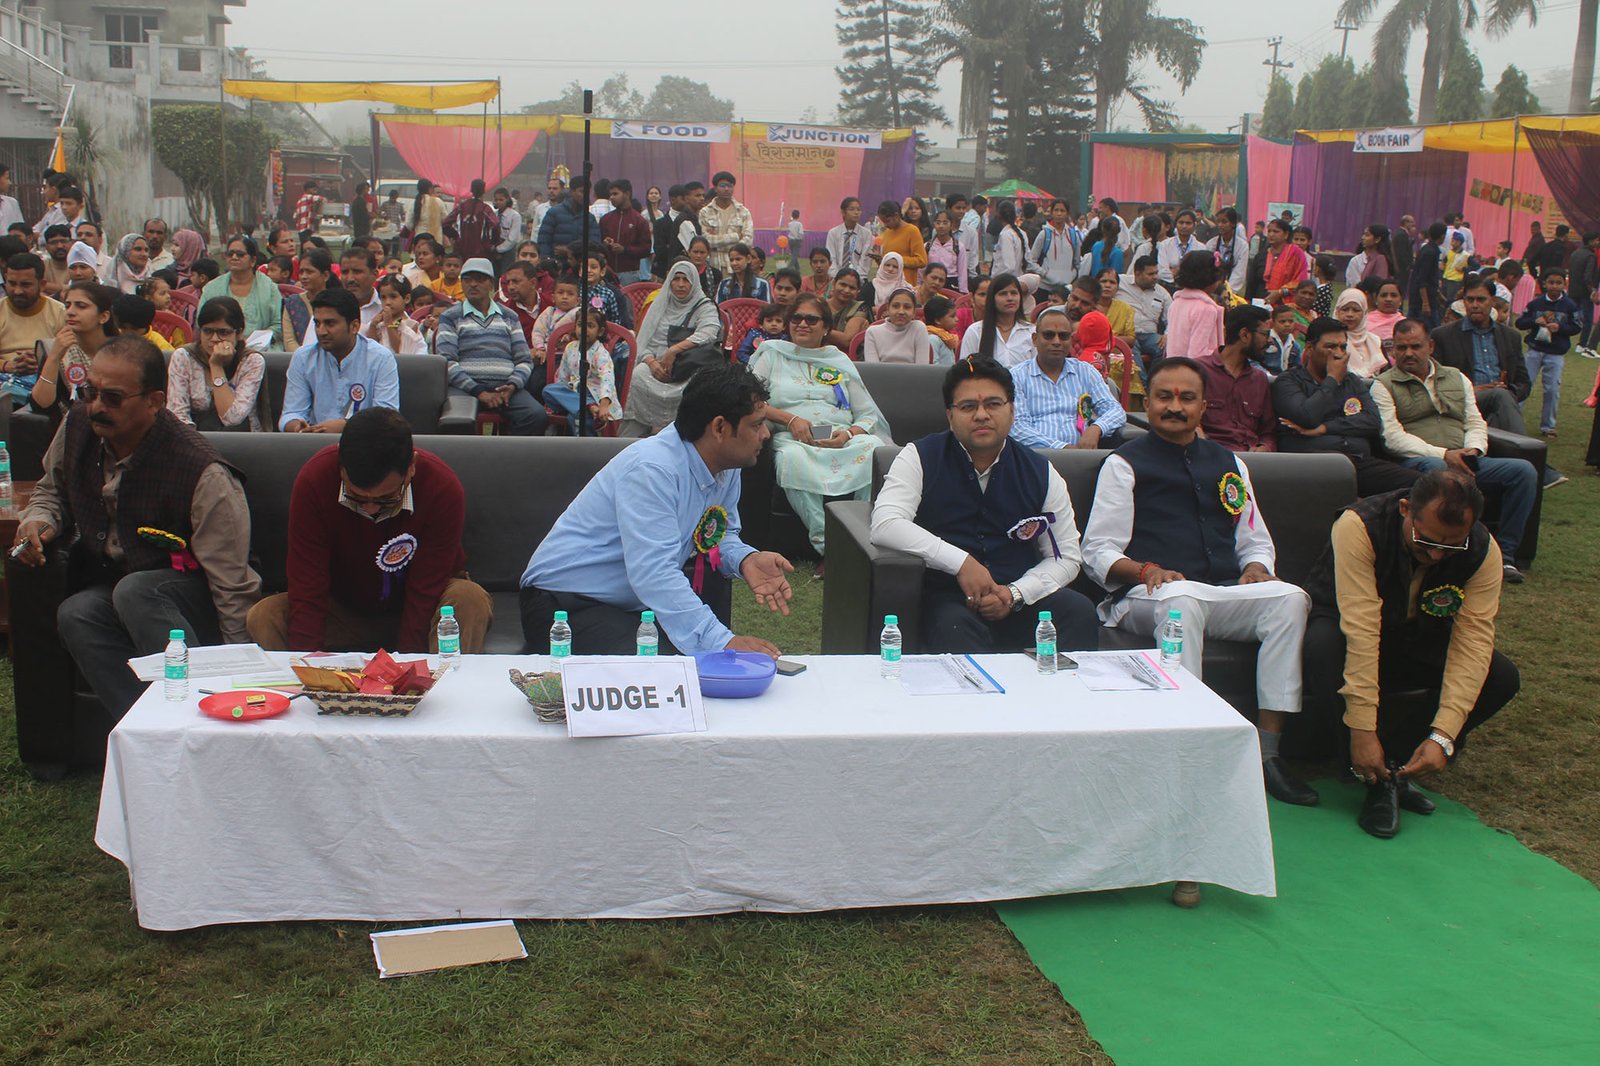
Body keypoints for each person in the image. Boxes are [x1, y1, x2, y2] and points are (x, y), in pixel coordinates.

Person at [1081, 356, 1317, 805]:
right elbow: (1097, 551)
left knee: (1290, 598)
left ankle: (1268, 753)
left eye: (1187, 398)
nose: (1175, 407)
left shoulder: (1230, 463)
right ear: (1147, 403)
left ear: (1204, 406)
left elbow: (1255, 540)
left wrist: (1255, 567)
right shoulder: (1124, 463)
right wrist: (1146, 570)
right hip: (1147, 598)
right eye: (1164, 397)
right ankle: (1186, 747)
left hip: (1219, 594)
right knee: (1181, 601)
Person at [12, 336, 259, 729]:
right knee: (77, 613)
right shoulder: (77, 424)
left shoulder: (201, 470)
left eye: (112, 397)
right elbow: (50, 491)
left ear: (154, 401)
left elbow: (231, 584)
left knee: (137, 591)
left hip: (190, 596)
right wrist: (38, 522)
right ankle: (150, 728)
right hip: (115, 583)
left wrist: (241, 677)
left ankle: (202, 725)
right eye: (90, 392)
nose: (96, 406)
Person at [1301, 470, 1519, 837]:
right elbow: (1361, 628)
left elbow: (1473, 642)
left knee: (1501, 677)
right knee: (1323, 647)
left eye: (1451, 547)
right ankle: (1373, 777)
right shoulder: (1358, 525)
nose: (1435, 555)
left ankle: (1394, 766)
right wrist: (1362, 730)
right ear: (1405, 509)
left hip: (1417, 635)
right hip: (1344, 626)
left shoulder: (1485, 550)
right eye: (1426, 541)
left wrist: (1443, 736)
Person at [521, 363, 793, 656]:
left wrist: (746, 559)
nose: (765, 434)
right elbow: (654, 572)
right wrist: (721, 641)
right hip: (564, 605)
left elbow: (717, 535)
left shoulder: (726, 465)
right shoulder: (652, 469)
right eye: (756, 425)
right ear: (719, 428)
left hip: (631, 606)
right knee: (672, 670)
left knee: (693, 666)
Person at [871, 354, 1101, 654]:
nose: (981, 415)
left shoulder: (1040, 471)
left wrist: (1015, 593)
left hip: (1019, 598)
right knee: (954, 628)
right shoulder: (919, 457)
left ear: (1012, 411)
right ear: (950, 416)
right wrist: (961, 563)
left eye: (993, 404)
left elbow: (1065, 557)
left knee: (1078, 612)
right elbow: (886, 524)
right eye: (968, 406)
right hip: (949, 598)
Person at [1370, 319, 1538, 583]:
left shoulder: (1457, 377)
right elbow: (1392, 438)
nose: (1408, 353)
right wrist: (1444, 454)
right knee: (1439, 472)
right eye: (1401, 348)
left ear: (1431, 346)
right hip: (1420, 462)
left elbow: (1474, 421)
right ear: (1392, 351)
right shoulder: (1383, 385)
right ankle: (1447, 550)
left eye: (1415, 346)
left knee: (1523, 472)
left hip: (1466, 458)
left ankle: (1506, 556)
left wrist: (1474, 450)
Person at [749, 296, 890, 554]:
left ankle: (860, 537)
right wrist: (790, 419)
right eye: (796, 318)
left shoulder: (839, 360)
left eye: (811, 319)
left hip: (841, 438)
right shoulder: (771, 354)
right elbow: (752, 399)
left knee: (873, 448)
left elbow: (868, 415)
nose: (803, 324)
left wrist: (848, 434)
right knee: (791, 458)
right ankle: (828, 545)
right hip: (794, 439)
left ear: (825, 327)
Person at [1274, 316, 1420, 496]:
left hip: (1358, 462)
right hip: (1312, 465)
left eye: (1343, 347)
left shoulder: (1351, 381)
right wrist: (1332, 379)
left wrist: (1324, 428)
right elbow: (1307, 416)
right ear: (1310, 348)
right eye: (1330, 347)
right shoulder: (1288, 381)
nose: (1338, 354)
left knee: (1421, 484)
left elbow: (1372, 421)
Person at [436, 257, 543, 436]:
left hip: (505, 388)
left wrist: (512, 385)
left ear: (491, 284)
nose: (473, 284)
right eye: (467, 279)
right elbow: (447, 362)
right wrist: (479, 391)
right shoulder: (451, 317)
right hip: (465, 388)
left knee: (536, 415)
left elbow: (524, 360)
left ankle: (510, 453)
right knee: (457, 419)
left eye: (479, 279)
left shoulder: (509, 316)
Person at [619, 260, 722, 438]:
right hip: (657, 363)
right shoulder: (660, 304)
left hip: (690, 367)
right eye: (676, 279)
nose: (680, 284)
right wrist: (652, 363)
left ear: (694, 282)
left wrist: (674, 350)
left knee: (697, 385)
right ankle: (633, 438)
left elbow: (709, 332)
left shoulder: (704, 305)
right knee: (638, 375)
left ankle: (687, 435)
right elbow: (645, 343)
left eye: (686, 279)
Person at [281, 288, 400, 434]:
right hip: (314, 441)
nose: (321, 331)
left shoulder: (381, 358)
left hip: (366, 443)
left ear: (354, 326)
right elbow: (291, 413)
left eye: (330, 323)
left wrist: (345, 427)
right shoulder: (303, 358)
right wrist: (298, 428)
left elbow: (386, 420)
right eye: (317, 323)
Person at [1011, 307, 1125, 449]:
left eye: (1063, 336)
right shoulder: (1017, 376)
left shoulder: (1085, 371)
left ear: (1071, 340)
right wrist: (1062, 447)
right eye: (1048, 335)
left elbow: (1115, 410)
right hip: (1036, 456)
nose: (1056, 341)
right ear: (1035, 339)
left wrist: (1097, 428)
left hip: (1083, 456)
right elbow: (1017, 428)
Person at [1429, 275, 1531, 433]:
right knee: (1499, 397)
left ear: (1492, 302)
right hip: (1463, 400)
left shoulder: (1510, 337)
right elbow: (1434, 380)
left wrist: (1509, 394)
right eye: (1470, 300)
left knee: (1499, 405)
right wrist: (1471, 390)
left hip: (1502, 403)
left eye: (1481, 300)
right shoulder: (1443, 336)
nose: (1475, 305)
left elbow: (1523, 383)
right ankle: (1523, 446)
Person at [164, 297, 268, 432]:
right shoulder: (184, 356)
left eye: (223, 332)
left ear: (238, 333)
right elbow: (177, 414)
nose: (214, 339)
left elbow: (232, 418)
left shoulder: (251, 361)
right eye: (207, 331)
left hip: (240, 436)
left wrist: (216, 366)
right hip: (194, 434)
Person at [1195, 303, 1277, 452]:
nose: (1270, 341)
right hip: (1210, 455)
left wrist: (1264, 447)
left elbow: (1268, 432)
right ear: (1245, 335)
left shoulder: (1259, 379)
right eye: (1265, 334)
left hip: (1252, 459)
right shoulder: (1198, 371)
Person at [30, 281, 116, 415]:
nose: (70, 312)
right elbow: (41, 405)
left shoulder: (122, 351)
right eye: (67, 306)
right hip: (71, 424)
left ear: (103, 317)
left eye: (81, 306)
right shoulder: (58, 349)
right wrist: (54, 357)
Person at [1515, 267, 1581, 438]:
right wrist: (1533, 321)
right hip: (1535, 350)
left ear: (1564, 284)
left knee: (1552, 389)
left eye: (1558, 283)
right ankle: (1513, 421)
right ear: (1544, 284)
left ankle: (1548, 426)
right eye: (1551, 282)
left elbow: (1576, 327)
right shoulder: (1535, 304)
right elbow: (1520, 323)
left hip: (1555, 353)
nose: (1554, 286)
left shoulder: (1569, 305)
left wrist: (1560, 327)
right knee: (1524, 385)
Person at [545, 305, 620, 430]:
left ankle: (588, 409)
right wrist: (562, 395)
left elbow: (607, 379)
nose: (584, 330)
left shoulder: (600, 354)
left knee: (577, 417)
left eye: (590, 326)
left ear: (600, 331)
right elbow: (563, 376)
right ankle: (588, 406)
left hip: (594, 396)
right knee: (548, 390)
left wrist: (603, 404)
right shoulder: (570, 348)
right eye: (580, 325)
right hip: (574, 394)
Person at [0, 253, 63, 393]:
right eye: (12, 283)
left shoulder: (60, 312)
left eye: (25, 285)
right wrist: (7, 366)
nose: (17, 291)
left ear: (42, 285)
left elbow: (70, 357)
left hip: (47, 378)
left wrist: (43, 363)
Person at [202, 235, 281, 346]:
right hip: (217, 344)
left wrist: (254, 341)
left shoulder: (270, 288)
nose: (234, 257)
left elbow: (278, 325)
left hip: (263, 348)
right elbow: (202, 322)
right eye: (230, 254)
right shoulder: (212, 288)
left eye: (240, 254)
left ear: (253, 260)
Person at [961, 273, 1035, 367]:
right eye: (1003, 294)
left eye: (1014, 293)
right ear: (992, 299)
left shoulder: (1031, 331)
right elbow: (966, 369)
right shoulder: (976, 331)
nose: (1010, 298)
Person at [1165, 251, 1224, 359]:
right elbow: (1199, 354)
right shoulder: (1206, 309)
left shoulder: (1176, 303)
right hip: (1196, 368)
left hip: (1174, 365)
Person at [1117, 255, 1170, 372]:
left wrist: (1167, 334)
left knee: (1166, 347)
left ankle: (1154, 379)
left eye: (1156, 273)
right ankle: (1142, 382)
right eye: (1150, 274)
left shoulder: (1162, 293)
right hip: (1127, 334)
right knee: (1130, 348)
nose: (1155, 277)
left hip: (1150, 335)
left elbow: (1171, 318)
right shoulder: (1121, 283)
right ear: (1137, 274)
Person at [698, 171, 754, 276]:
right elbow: (706, 241)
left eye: (730, 186)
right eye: (723, 185)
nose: (727, 189)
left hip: (737, 267)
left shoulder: (743, 211)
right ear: (715, 188)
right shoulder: (705, 212)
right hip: (713, 266)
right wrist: (736, 237)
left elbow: (748, 241)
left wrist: (718, 243)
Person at [598, 178, 650, 285]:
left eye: (615, 194)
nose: (611, 197)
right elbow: (598, 246)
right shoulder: (606, 219)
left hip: (630, 274)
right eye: (610, 194)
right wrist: (605, 244)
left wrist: (624, 250)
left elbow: (645, 249)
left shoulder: (639, 221)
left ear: (627, 194)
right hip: (608, 272)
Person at [862, 286, 931, 363]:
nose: (901, 312)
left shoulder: (919, 328)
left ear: (914, 312)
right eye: (895, 306)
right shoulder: (872, 332)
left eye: (907, 307)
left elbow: (922, 367)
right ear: (888, 309)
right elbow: (873, 368)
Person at [365, 273, 429, 356]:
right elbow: (370, 345)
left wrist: (389, 324)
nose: (387, 302)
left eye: (393, 296)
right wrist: (373, 325)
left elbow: (400, 349)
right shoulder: (381, 322)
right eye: (383, 297)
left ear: (407, 298)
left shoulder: (409, 324)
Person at [1332, 288, 1389, 378]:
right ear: (1337, 312)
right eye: (1345, 309)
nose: (1350, 314)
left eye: (1356, 310)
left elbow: (1386, 374)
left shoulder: (1375, 341)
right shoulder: (1331, 341)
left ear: (1364, 313)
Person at [1260, 218, 1309, 307]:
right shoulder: (1262, 255)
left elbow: (1301, 280)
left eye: (1275, 231)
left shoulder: (1296, 253)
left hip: (1288, 304)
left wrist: (1280, 292)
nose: (1271, 234)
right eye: (1269, 231)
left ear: (1286, 235)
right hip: (1262, 302)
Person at [825, 196, 875, 278]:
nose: (856, 212)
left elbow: (865, 261)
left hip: (859, 278)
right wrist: (838, 277)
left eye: (858, 209)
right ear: (843, 212)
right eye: (852, 209)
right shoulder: (833, 233)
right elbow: (831, 258)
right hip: (836, 278)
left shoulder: (866, 234)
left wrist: (855, 279)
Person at [823, 268, 870, 350]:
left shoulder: (860, 308)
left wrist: (819, 330)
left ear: (857, 291)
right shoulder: (819, 305)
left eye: (852, 288)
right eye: (843, 285)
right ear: (834, 283)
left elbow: (847, 340)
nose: (846, 290)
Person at [1208, 207, 1251, 294]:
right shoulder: (1211, 243)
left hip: (1231, 291)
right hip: (1212, 289)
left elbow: (1239, 273)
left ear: (1233, 224)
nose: (1220, 225)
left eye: (1224, 222)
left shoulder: (1242, 246)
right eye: (1218, 222)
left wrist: (1227, 291)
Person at [928, 210, 970, 293]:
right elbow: (922, 270)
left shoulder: (958, 247)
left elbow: (962, 271)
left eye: (945, 223)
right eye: (938, 223)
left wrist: (963, 291)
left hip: (951, 282)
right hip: (932, 282)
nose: (941, 226)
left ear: (951, 225)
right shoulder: (927, 246)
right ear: (934, 225)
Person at [1155, 209, 1201, 284]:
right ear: (1176, 224)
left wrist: (1176, 271)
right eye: (1181, 223)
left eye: (1188, 223)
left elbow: (1201, 273)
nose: (1184, 226)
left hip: (1194, 286)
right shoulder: (1165, 245)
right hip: (1170, 286)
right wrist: (1189, 273)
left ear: (1194, 225)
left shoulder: (1201, 247)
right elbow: (1161, 272)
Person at [988, 201, 1027, 279]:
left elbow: (1009, 267)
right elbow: (1028, 259)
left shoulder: (1006, 235)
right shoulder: (1022, 233)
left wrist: (996, 279)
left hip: (1005, 281)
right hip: (1018, 277)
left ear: (999, 215)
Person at [492, 187, 523, 272]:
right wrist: (493, 249)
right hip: (494, 250)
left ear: (507, 199)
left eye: (501, 200)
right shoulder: (494, 215)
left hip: (508, 250)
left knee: (506, 273)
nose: (498, 202)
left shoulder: (515, 216)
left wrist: (498, 249)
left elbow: (512, 239)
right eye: (496, 200)